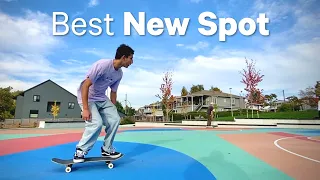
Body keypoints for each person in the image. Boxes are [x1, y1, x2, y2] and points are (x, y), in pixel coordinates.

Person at [73, 44, 134, 163]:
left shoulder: (119, 74)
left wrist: (112, 110)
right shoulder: (102, 65)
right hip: (87, 97)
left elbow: (113, 92)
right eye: (131, 58)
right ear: (123, 57)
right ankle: (80, 150)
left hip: (101, 98)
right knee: (96, 123)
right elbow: (85, 85)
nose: (132, 61)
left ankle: (107, 149)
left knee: (115, 119)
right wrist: (85, 109)